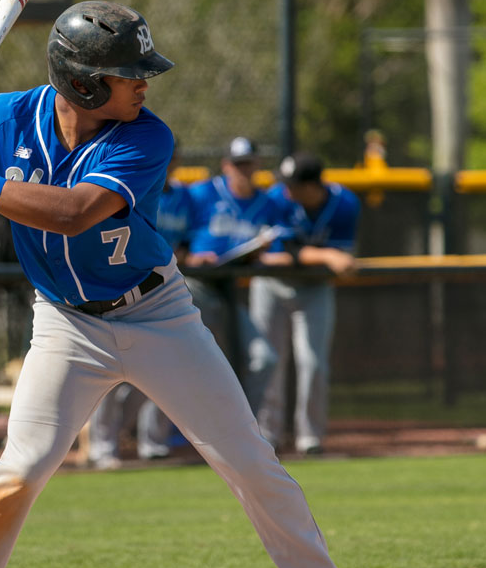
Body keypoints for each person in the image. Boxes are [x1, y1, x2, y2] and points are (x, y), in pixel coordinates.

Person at [0, 0, 386, 568]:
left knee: (249, 461)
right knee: (22, 466)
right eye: (130, 74)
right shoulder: (7, 115)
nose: (143, 84)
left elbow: (73, 214)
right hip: (66, 322)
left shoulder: (145, 137)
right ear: (83, 82)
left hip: (156, 315)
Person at [250, 152, 360, 455]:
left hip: (314, 289)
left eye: (294, 184)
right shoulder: (277, 198)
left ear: (313, 185)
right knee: (269, 361)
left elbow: (341, 258)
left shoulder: (345, 203)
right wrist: (325, 255)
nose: (286, 190)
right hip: (271, 285)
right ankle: (266, 435)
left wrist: (323, 258)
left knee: (313, 363)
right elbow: (282, 253)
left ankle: (310, 438)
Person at [87, 147, 191, 469]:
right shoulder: (123, 185)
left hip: (161, 291)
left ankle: (149, 441)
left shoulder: (183, 197)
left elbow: (189, 241)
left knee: (159, 373)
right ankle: (102, 447)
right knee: (109, 376)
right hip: (116, 288)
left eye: (170, 158)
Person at [183, 136, 277, 415]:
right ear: (226, 165)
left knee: (264, 359)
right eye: (238, 164)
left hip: (229, 293)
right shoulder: (199, 193)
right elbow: (170, 235)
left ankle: (247, 431)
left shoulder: (267, 203)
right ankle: (152, 442)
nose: (243, 169)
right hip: (192, 287)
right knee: (176, 363)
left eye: (248, 163)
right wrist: (187, 257)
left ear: (258, 164)